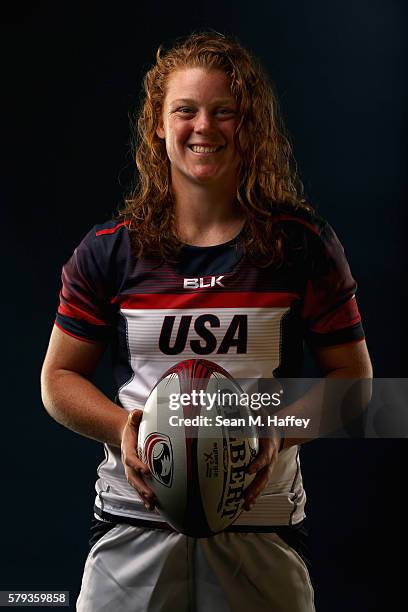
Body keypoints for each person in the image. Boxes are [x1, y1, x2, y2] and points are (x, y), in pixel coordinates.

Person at [41, 32, 372, 612]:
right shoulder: (109, 252)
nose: (204, 127)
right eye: (185, 110)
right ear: (157, 128)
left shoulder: (301, 247)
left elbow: (355, 384)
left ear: (250, 128)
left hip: (259, 521)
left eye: (226, 113)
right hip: (135, 521)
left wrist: (277, 430)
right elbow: (58, 381)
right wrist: (123, 427)